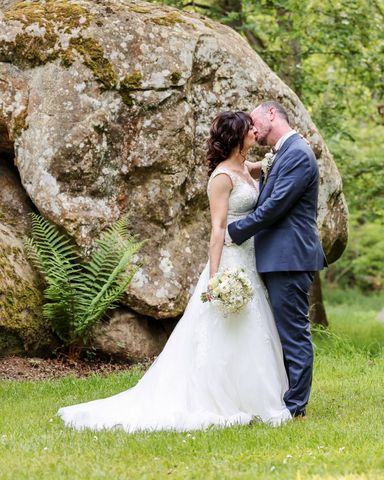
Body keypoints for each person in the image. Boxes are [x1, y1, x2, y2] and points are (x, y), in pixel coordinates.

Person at [57, 111, 291, 432]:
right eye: (249, 129)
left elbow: (260, 168)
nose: (255, 130)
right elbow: (218, 229)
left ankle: (256, 395)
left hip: (250, 260)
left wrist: (285, 150)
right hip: (231, 261)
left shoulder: (243, 168)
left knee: (253, 327)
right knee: (226, 328)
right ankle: (219, 398)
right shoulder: (222, 177)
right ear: (237, 136)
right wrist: (214, 277)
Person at [227, 101, 327, 418]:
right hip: (277, 257)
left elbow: (274, 207)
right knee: (280, 332)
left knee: (294, 333)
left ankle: (295, 406)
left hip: (290, 258)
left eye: (255, 122)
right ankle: (284, 398)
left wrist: (234, 230)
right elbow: (268, 185)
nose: (253, 130)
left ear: (272, 114)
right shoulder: (283, 153)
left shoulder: (297, 153)